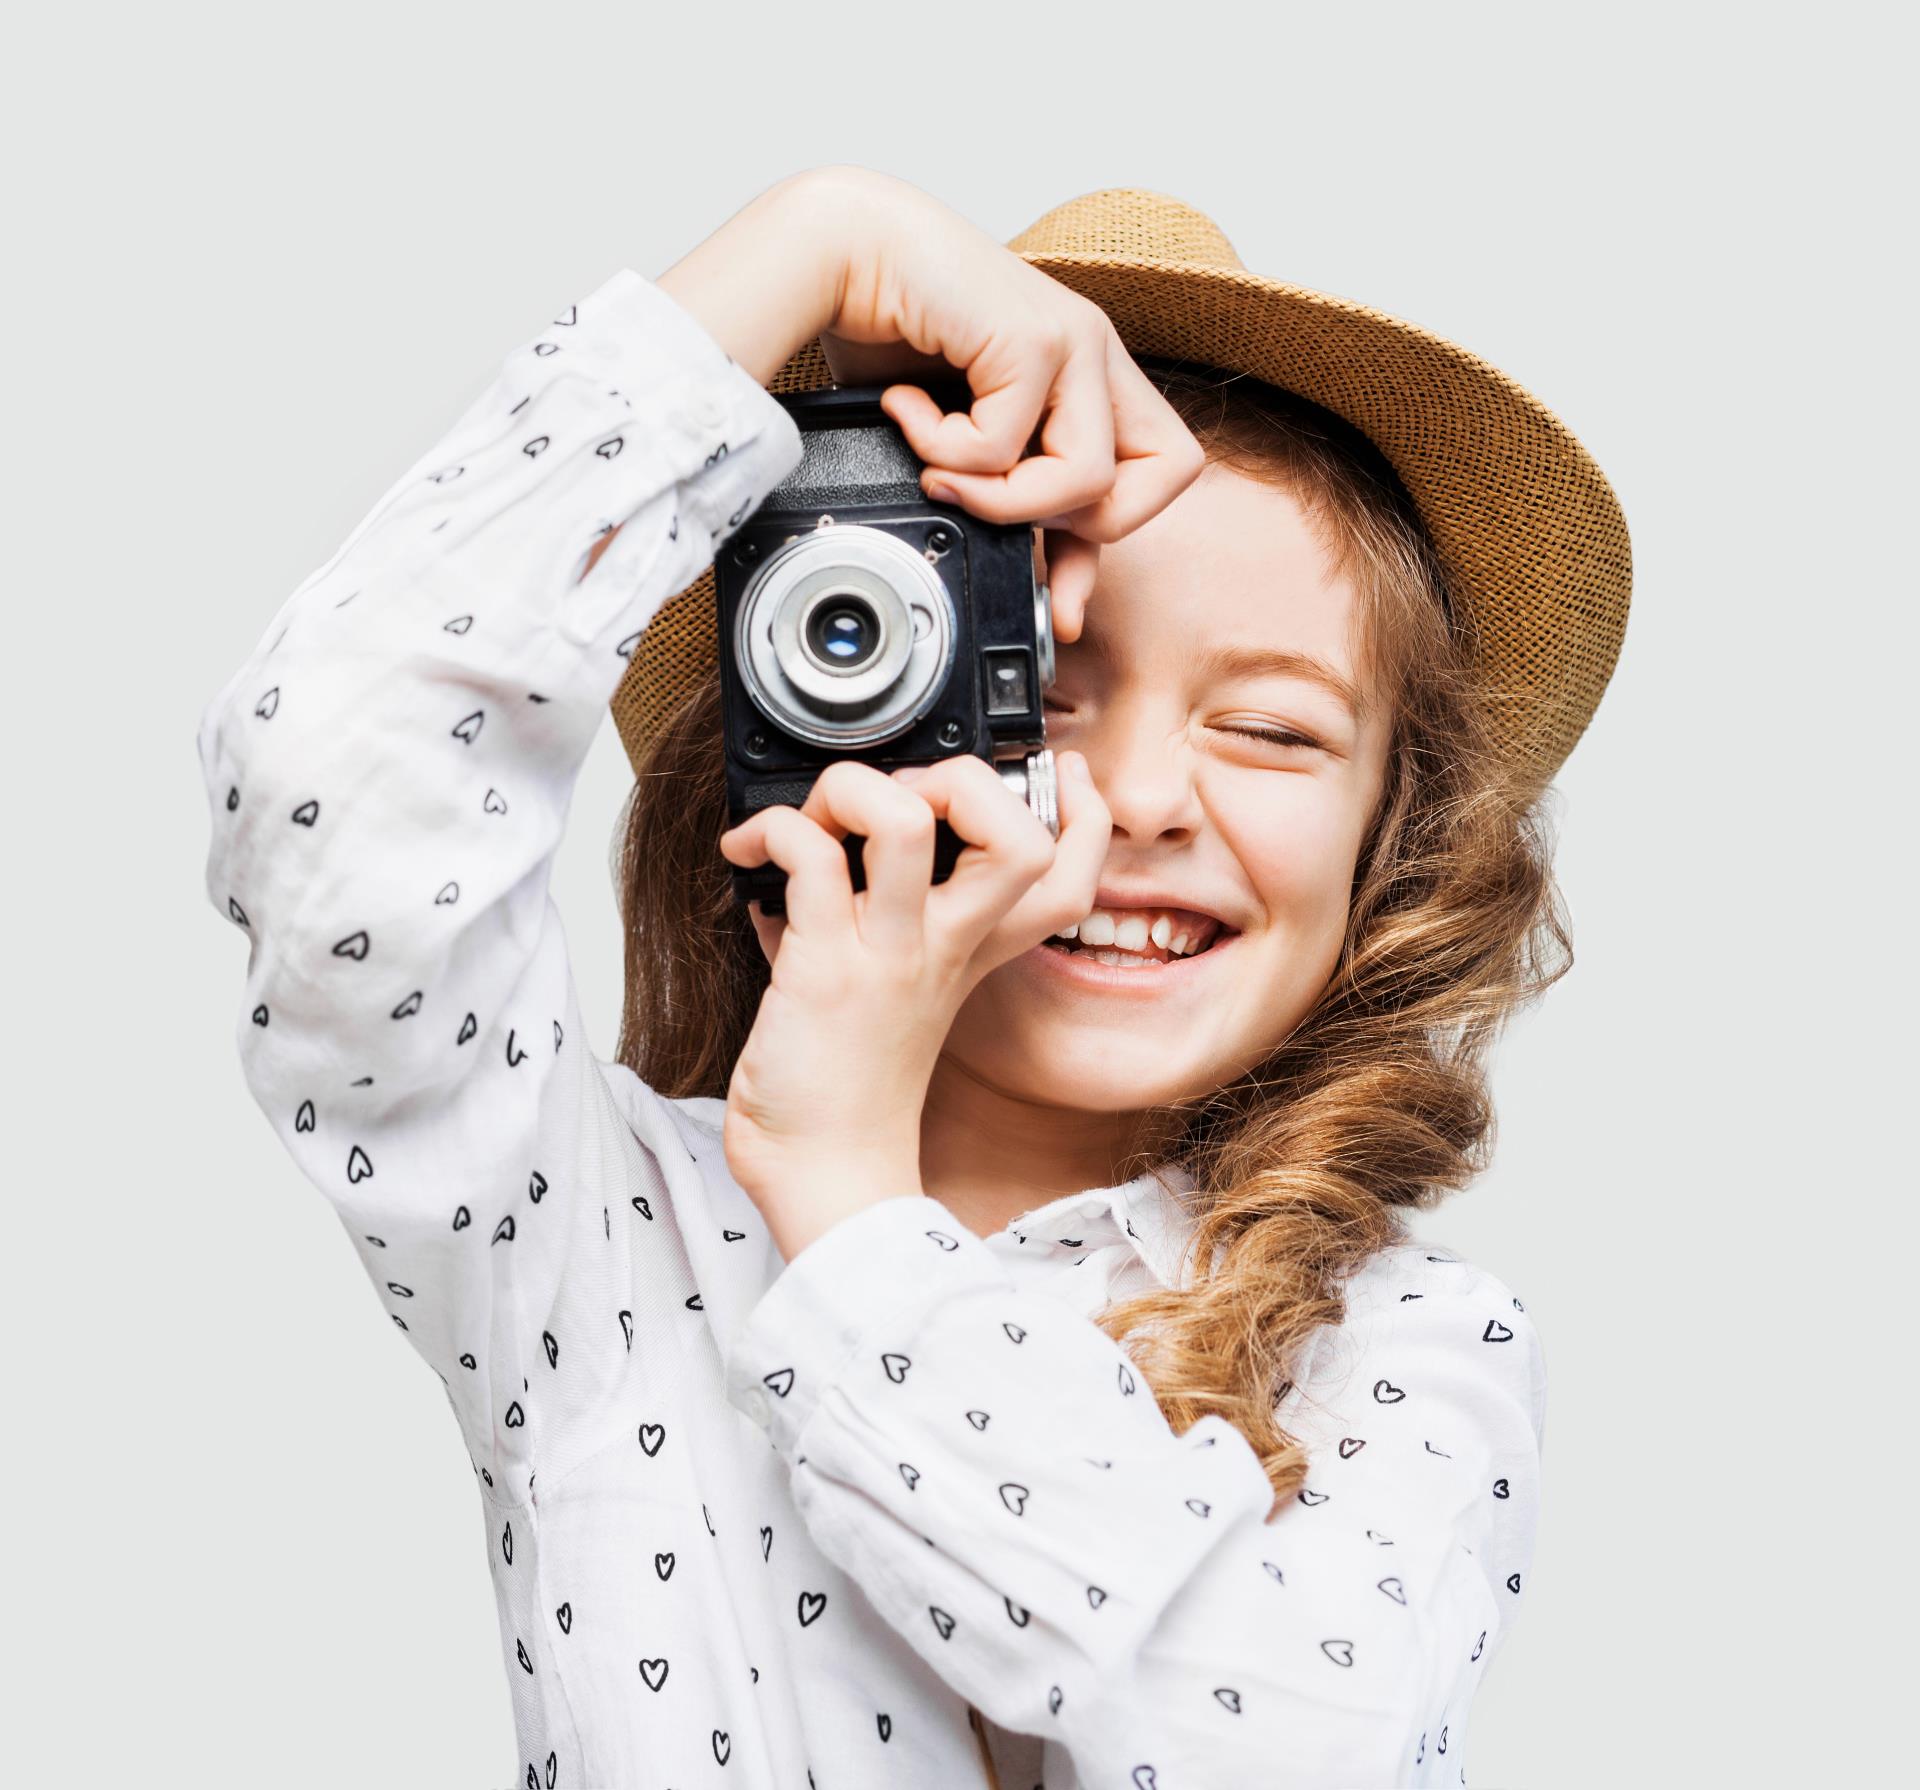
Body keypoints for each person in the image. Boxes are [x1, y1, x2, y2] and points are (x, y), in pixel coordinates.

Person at [196, 164, 1629, 1789]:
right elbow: (333, 767)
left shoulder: (1407, 1346)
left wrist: (852, 1197)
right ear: (815, 725)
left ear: (1391, 840)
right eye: (1037, 687)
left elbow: (1288, 1747)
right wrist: (827, 242)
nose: (1147, 799)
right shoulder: (601, 1242)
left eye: (1272, 727)